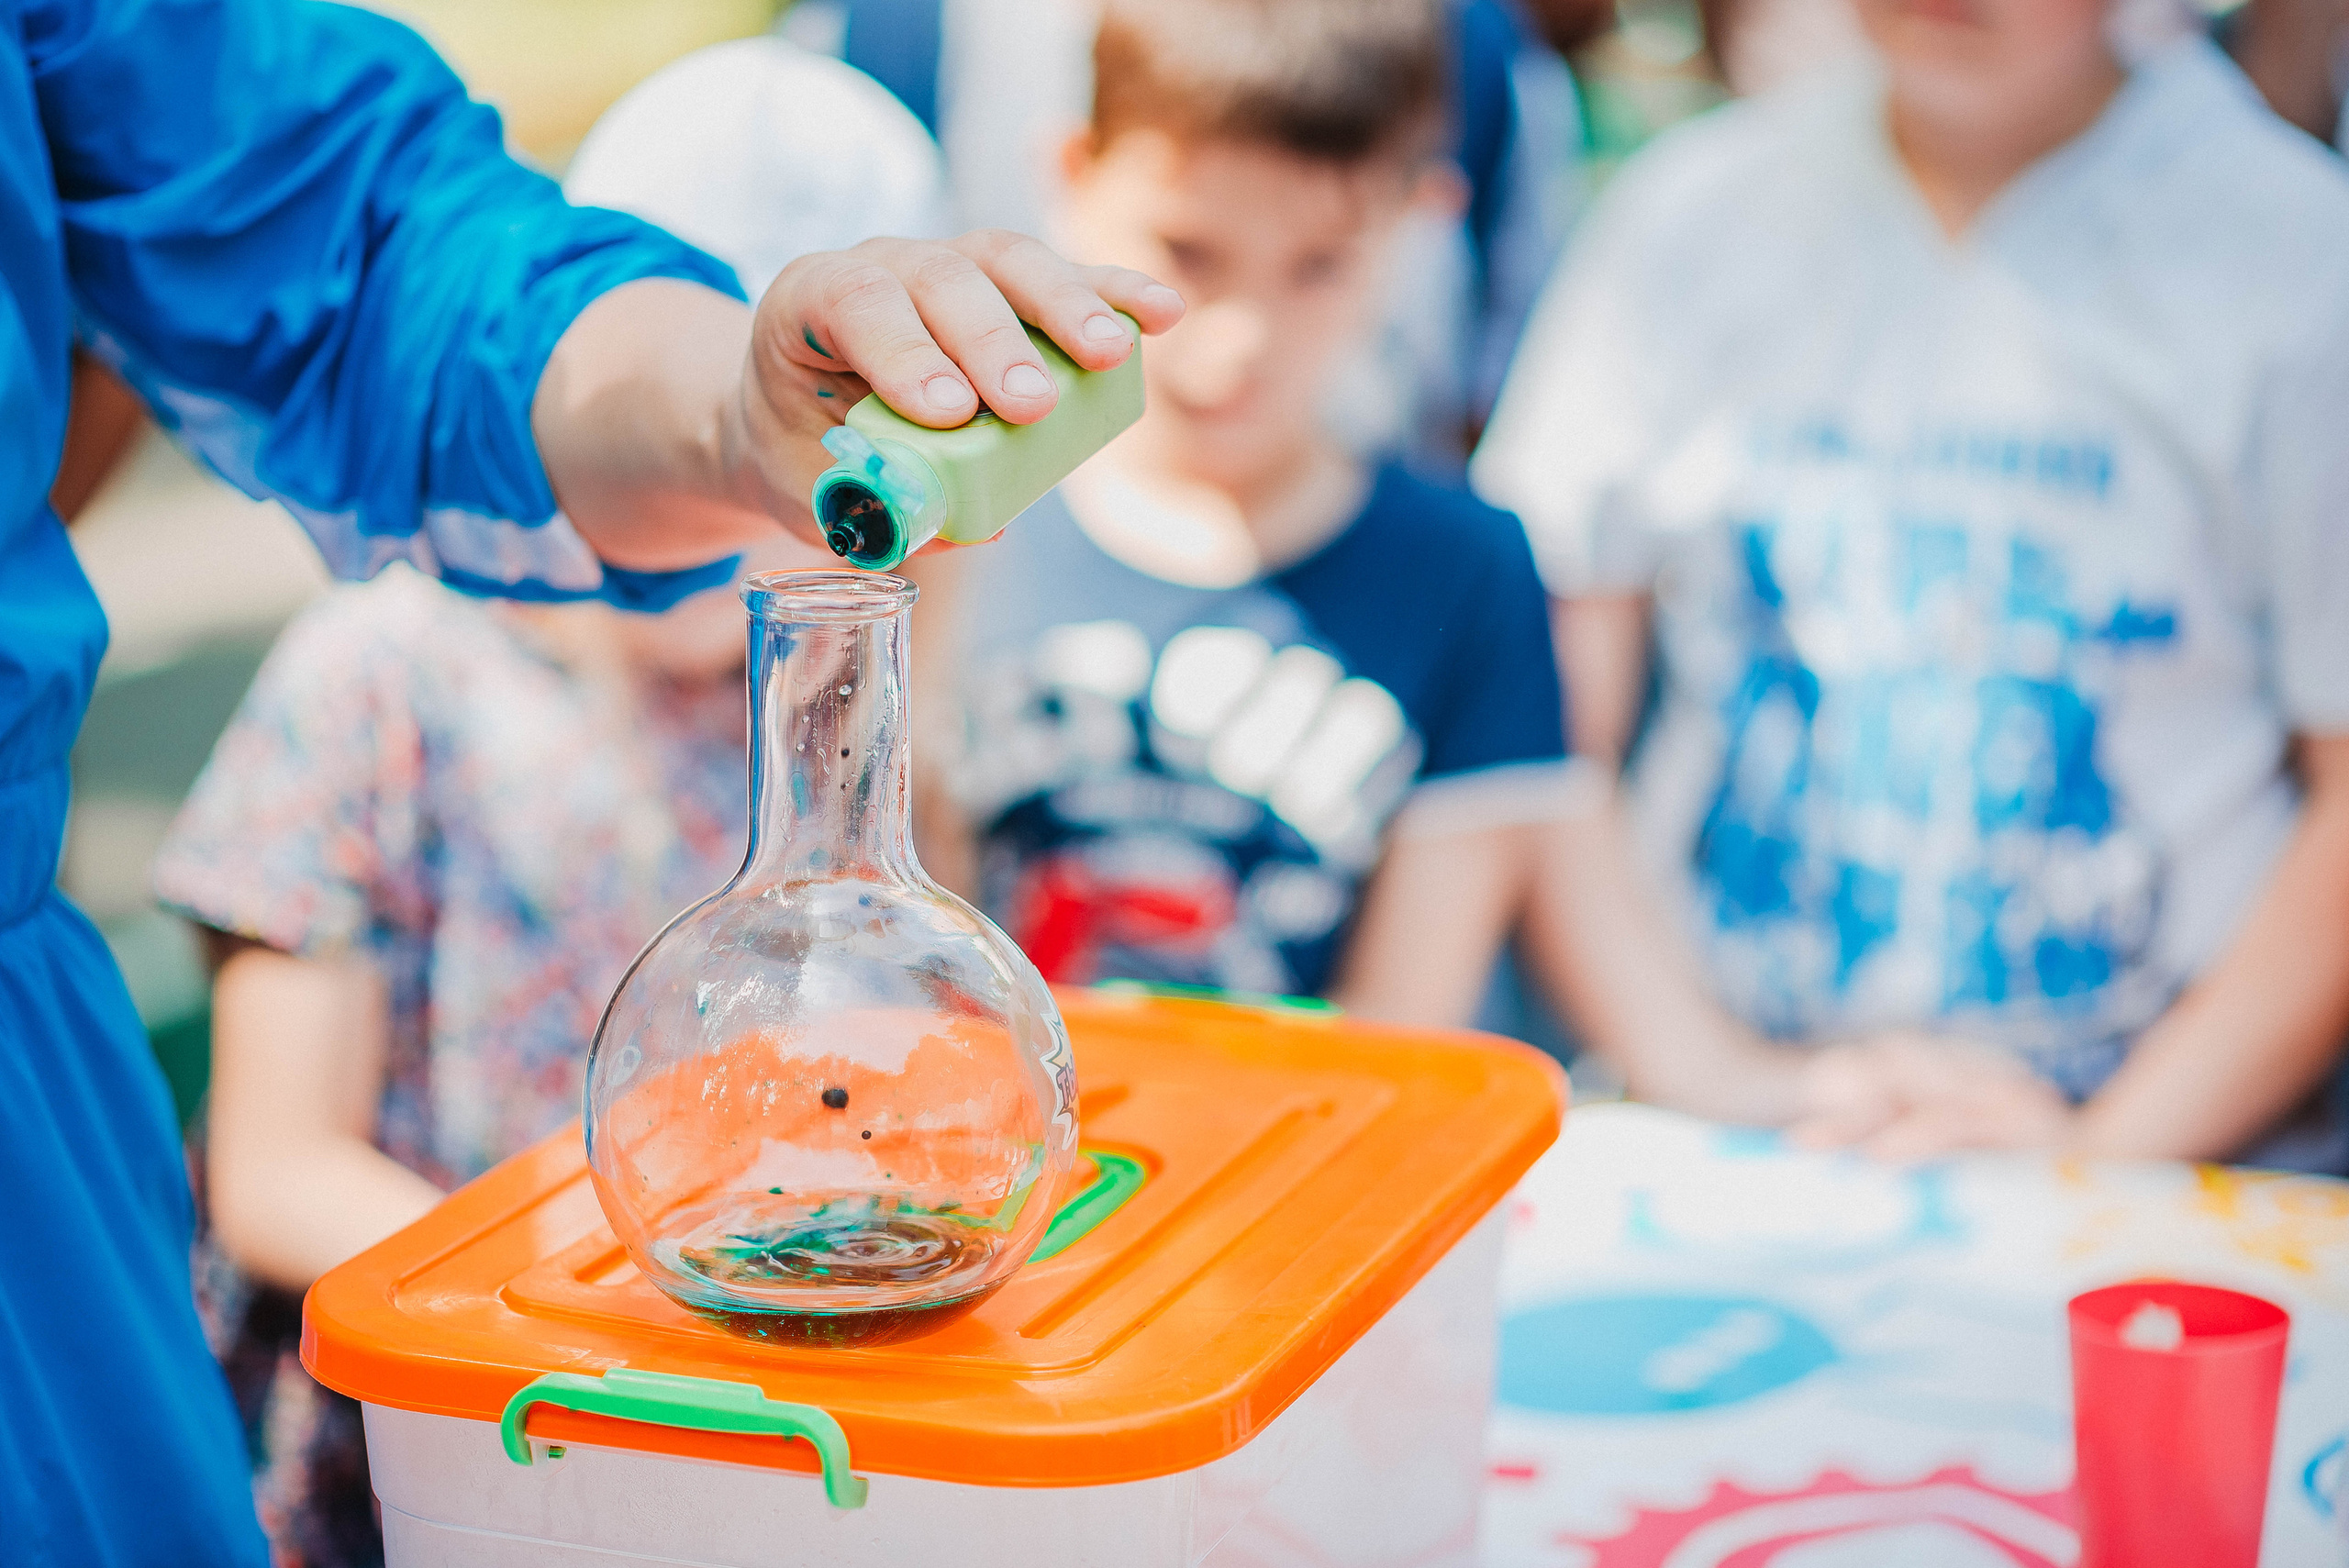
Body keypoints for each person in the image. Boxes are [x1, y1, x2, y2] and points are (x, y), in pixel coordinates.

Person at [0, 0, 1180, 1560]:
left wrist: (723, 414)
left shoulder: (838, 717)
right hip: (456, 1444)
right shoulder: (383, 688)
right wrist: (600, 1276)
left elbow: (343, 229)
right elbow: (271, 1164)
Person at [1475, 0, 2349, 1165]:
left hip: (2171, 1173)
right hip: (1717, 1136)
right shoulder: (1688, 211)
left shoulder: (2293, 252)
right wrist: (1703, 1071)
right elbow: (1538, 718)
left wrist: (2102, 1150)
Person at [930, 0, 1582, 1022]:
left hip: (1303, 1155)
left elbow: (1400, 1030)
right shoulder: (946, 528)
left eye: (1316, 265)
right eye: (1188, 251)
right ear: (1069, 176)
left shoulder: (1469, 572)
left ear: (1422, 222)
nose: (1238, 337)